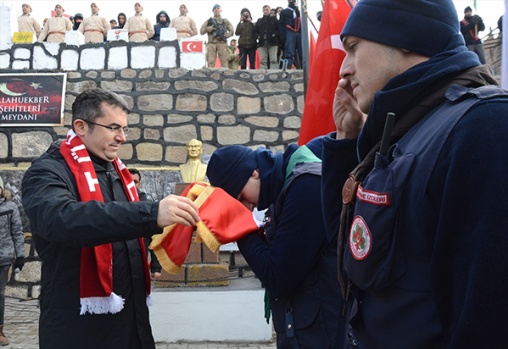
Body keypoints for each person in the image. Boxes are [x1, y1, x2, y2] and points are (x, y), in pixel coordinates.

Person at [322, 0, 508, 348]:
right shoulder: (406, 131)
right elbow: (353, 253)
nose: (343, 70)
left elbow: (487, 323)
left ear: (404, 35)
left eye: (353, 48)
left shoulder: (485, 128)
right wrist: (347, 143)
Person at [21, 88, 200, 349]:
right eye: (114, 127)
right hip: (79, 328)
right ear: (81, 126)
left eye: (125, 129)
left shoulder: (118, 173)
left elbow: (132, 227)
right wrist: (151, 213)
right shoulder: (46, 171)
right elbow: (62, 220)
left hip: (132, 321)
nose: (122, 138)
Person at [206, 142, 344, 348]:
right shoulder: (286, 184)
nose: (244, 207)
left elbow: (278, 277)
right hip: (306, 329)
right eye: (235, 204)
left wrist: (239, 227)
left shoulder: (307, 186)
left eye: (240, 197)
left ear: (253, 173)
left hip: (321, 333)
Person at [0, 176, 25, 346]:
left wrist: (20, 255)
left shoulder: (10, 207)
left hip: (3, 257)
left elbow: (17, 232)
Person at [128, 168, 162, 281]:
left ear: (139, 184)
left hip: (139, 259)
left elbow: (154, 238)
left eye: (135, 182)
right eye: (129, 181)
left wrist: (156, 268)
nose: (132, 185)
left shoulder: (147, 205)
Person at [278, 0, 302, 69]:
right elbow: (281, 23)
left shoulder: (298, 12)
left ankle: (302, 67)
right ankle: (289, 67)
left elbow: (300, 23)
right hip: (289, 31)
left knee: (301, 52)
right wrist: (281, 34)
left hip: (298, 32)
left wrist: (298, 14)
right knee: (289, 51)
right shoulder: (284, 11)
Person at [255, 5, 279, 69]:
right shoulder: (259, 21)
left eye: (267, 10)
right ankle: (263, 75)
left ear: (269, 10)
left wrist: (274, 34)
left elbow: (279, 29)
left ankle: (274, 74)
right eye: (264, 10)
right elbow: (255, 30)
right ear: (262, 11)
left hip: (273, 42)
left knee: (273, 59)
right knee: (262, 60)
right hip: (262, 43)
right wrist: (258, 36)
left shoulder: (274, 20)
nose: (265, 11)